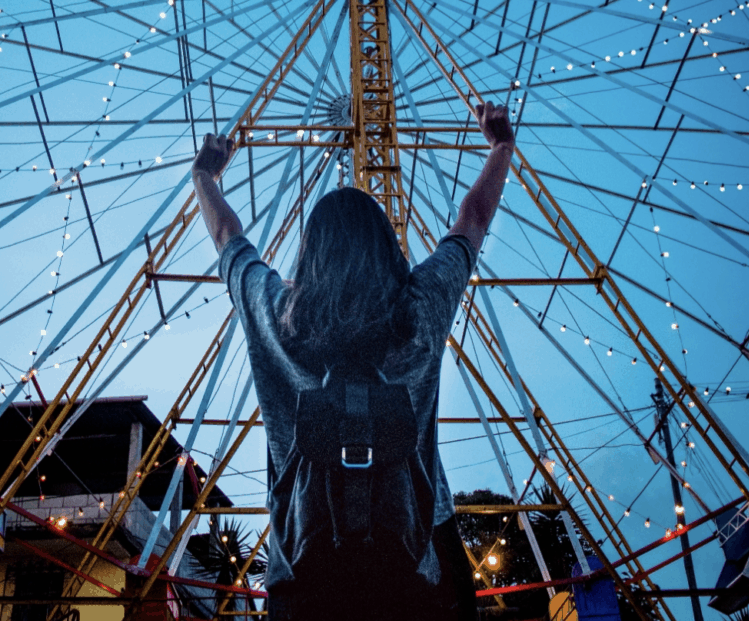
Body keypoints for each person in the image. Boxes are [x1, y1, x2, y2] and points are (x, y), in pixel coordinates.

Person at [192, 101, 516, 620]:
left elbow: (228, 238)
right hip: (413, 570)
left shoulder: (276, 314)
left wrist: (204, 175)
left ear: (309, 251)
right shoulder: (419, 307)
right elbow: (472, 221)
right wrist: (501, 146)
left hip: (302, 574)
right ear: (387, 245)